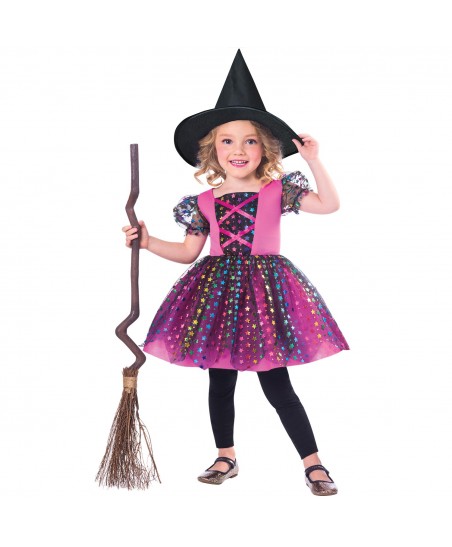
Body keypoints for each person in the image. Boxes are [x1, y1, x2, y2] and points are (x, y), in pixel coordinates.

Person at [122, 50, 349, 496]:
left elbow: (329, 204)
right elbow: (188, 252)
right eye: (227, 141)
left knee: (277, 383)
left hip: (266, 294)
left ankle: (314, 463)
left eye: (249, 141)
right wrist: (147, 242)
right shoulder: (203, 202)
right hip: (218, 295)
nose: (239, 150)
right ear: (212, 151)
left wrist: (313, 160)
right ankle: (225, 455)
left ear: (266, 149)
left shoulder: (279, 190)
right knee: (220, 380)